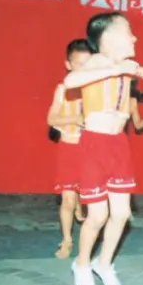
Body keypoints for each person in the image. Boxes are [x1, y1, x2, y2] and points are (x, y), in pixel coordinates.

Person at [63, 12, 143, 285]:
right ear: (107, 37)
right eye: (128, 32)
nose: (134, 37)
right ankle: (81, 264)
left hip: (118, 144)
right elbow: (71, 82)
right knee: (97, 215)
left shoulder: (129, 65)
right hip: (94, 144)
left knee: (122, 213)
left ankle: (104, 263)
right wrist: (114, 70)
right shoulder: (97, 61)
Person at [46, 39, 90, 259]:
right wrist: (75, 118)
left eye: (87, 64)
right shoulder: (62, 90)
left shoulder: (95, 90)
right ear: (68, 64)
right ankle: (67, 241)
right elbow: (51, 118)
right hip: (68, 149)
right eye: (78, 64)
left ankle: (80, 203)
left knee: (90, 197)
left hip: (89, 151)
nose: (83, 69)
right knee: (67, 200)